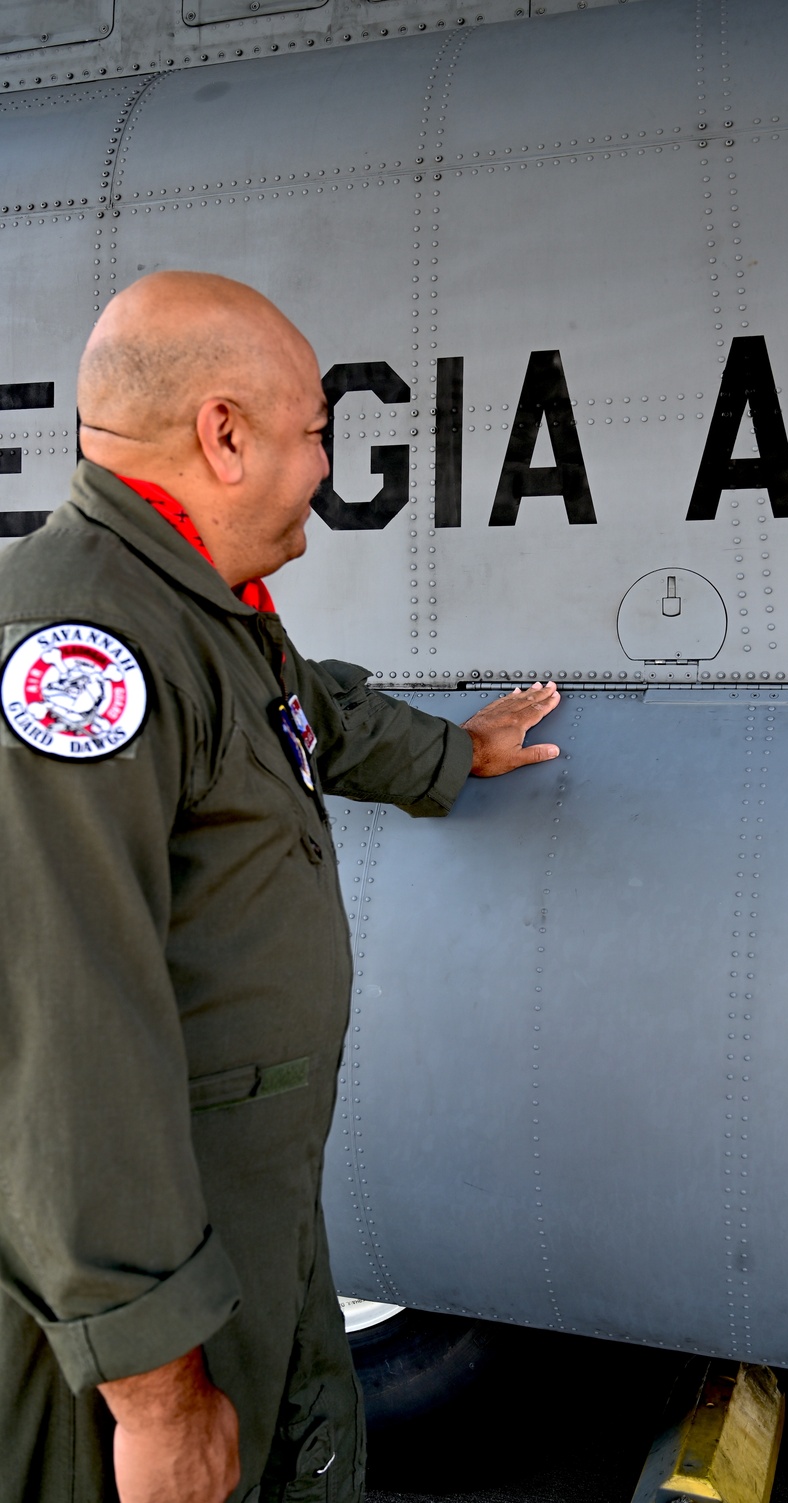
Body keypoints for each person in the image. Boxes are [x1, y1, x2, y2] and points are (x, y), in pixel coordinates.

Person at [0, 271, 560, 1503]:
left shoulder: (194, 610)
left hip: (238, 1217)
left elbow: (295, 706)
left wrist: (448, 753)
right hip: (139, 1313)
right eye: (314, 433)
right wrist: (153, 1387)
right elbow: (64, 1036)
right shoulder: (82, 653)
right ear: (224, 434)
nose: (325, 466)